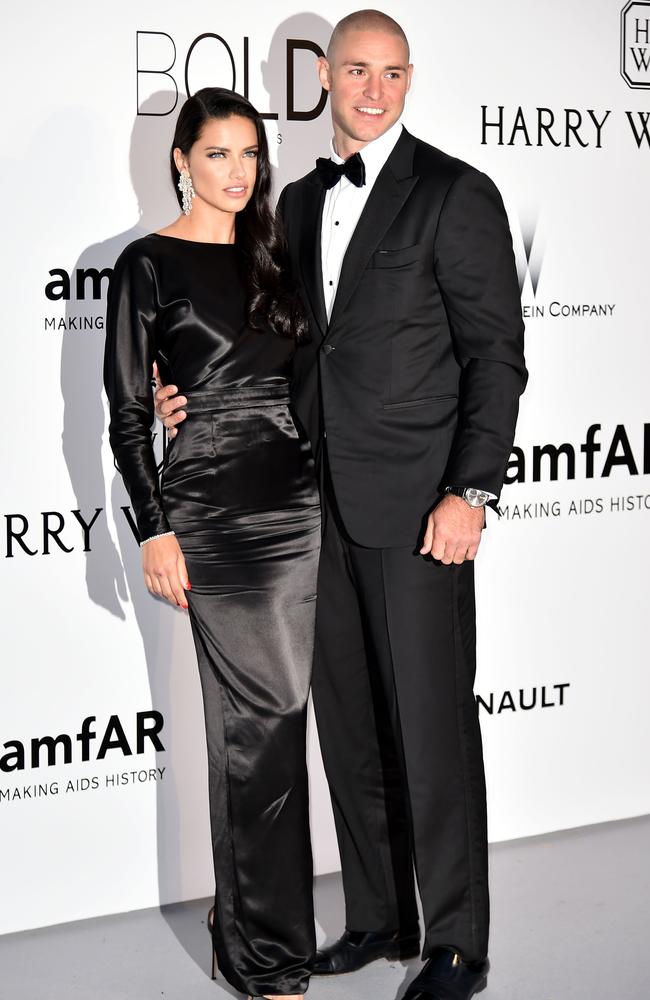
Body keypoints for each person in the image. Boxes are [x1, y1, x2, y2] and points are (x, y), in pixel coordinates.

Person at [156, 11, 527, 1000]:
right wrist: (179, 388)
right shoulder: (299, 203)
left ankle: (455, 943)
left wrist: (469, 488)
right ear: (324, 76)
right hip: (309, 510)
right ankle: (376, 915)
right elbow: (262, 335)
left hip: (418, 510)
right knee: (350, 728)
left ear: (409, 79)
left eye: (391, 72)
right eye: (355, 70)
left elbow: (496, 357)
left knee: (434, 730)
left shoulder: (454, 194)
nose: (372, 89)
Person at [103, 87, 321, 1000]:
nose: (237, 172)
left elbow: (319, 373)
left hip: (302, 502)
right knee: (257, 728)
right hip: (212, 510)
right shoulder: (144, 265)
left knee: (286, 722)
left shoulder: (281, 256)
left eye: (249, 155)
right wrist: (154, 526)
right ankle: (265, 954)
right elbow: (124, 414)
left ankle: (249, 923)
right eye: (218, 154)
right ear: (180, 161)